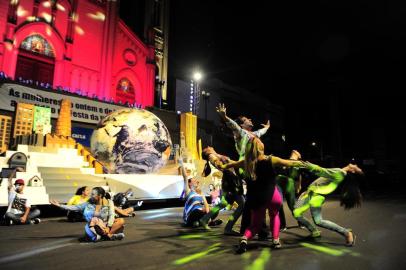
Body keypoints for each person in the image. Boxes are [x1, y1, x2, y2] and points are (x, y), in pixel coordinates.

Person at [223, 138, 305, 253]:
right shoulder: (271, 159)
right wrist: (306, 164)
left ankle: (244, 239)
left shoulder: (246, 162)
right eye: (260, 141)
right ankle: (275, 240)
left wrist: (223, 166)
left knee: (254, 226)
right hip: (273, 196)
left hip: (257, 199)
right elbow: (289, 163)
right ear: (260, 147)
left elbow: (231, 164)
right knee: (274, 215)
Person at [293, 162, 363, 246]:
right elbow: (320, 181)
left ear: (353, 171)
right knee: (298, 213)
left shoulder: (339, 173)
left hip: (315, 196)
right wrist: (307, 190)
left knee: (316, 220)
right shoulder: (340, 172)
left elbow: (322, 171)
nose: (355, 164)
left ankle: (346, 232)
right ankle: (314, 231)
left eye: (357, 166)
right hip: (310, 194)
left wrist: (309, 166)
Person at [50, 187, 125, 241]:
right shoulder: (90, 202)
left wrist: (108, 226)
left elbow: (112, 215)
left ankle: (105, 236)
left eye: (93, 194)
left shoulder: (109, 202)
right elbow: (76, 207)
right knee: (95, 221)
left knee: (121, 221)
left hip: (105, 226)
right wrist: (59, 205)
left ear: (100, 195)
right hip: (95, 226)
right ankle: (109, 236)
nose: (91, 195)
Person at [199, 146, 244, 235]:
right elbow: (219, 164)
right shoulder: (211, 156)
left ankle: (204, 219)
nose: (209, 146)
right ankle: (228, 227)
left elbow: (230, 164)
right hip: (230, 182)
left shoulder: (214, 155)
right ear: (206, 152)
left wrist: (240, 163)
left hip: (228, 181)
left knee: (223, 203)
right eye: (207, 147)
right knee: (242, 204)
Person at [179, 159, 222, 228]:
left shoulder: (200, 193)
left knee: (215, 209)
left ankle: (203, 222)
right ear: (189, 183)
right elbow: (185, 177)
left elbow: (206, 204)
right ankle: (206, 222)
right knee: (198, 212)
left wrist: (209, 210)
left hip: (202, 211)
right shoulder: (188, 191)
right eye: (194, 180)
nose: (196, 181)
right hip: (192, 214)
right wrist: (181, 164)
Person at [276, 150, 305, 230]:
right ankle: (283, 225)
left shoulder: (299, 164)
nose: (294, 150)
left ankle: (301, 222)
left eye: (297, 151)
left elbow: (299, 176)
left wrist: (299, 186)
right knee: (279, 204)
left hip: (289, 184)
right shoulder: (285, 161)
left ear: (299, 156)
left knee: (292, 205)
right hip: (280, 183)